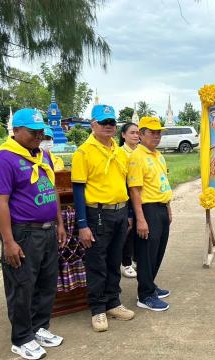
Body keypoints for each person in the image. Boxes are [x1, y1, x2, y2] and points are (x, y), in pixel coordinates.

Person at [0, 108, 67, 359]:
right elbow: (1, 203)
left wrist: (60, 224)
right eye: (33, 132)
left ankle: (39, 327)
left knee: (46, 283)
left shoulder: (42, 155)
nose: (38, 136)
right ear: (16, 131)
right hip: (23, 233)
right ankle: (21, 338)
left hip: (47, 230)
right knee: (22, 285)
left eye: (41, 132)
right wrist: (9, 242)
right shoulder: (4, 159)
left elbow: (51, 189)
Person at [71, 104, 135, 332]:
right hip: (96, 213)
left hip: (119, 211)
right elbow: (78, 189)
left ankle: (113, 302)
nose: (109, 126)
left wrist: (128, 213)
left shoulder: (119, 151)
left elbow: (124, 183)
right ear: (93, 125)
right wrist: (82, 225)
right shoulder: (83, 152)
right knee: (97, 262)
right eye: (104, 122)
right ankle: (98, 309)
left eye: (112, 123)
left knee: (114, 260)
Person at [128, 116, 172, 311]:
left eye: (158, 132)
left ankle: (151, 285)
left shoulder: (157, 155)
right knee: (146, 254)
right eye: (151, 132)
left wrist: (168, 208)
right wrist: (141, 219)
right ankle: (144, 295)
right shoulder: (137, 156)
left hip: (161, 207)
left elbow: (164, 183)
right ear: (141, 134)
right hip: (148, 210)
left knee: (158, 251)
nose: (156, 136)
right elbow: (135, 190)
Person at [119, 122, 140, 278]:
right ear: (123, 135)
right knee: (128, 228)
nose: (135, 135)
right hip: (126, 194)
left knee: (139, 229)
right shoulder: (120, 153)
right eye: (132, 132)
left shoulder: (141, 152)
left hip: (141, 194)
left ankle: (135, 258)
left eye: (137, 132)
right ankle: (125, 263)